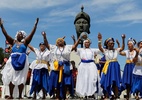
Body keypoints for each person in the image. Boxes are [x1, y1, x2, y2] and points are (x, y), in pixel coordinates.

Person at [0, 18, 39, 99]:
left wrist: (35, 25)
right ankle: (11, 95)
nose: (19, 34)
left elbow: (32, 34)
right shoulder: (13, 42)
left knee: (21, 78)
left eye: (21, 34)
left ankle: (20, 95)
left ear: (23, 36)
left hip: (22, 60)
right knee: (11, 77)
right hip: (12, 61)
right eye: (18, 33)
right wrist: (1, 25)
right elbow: (5, 34)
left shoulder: (25, 42)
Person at [98, 33, 125, 99]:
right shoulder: (106, 51)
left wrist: (123, 39)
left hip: (115, 66)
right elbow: (100, 48)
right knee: (107, 81)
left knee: (115, 82)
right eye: (110, 43)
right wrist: (99, 40)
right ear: (107, 44)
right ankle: (107, 95)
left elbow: (122, 48)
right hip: (108, 67)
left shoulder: (116, 50)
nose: (112, 44)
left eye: (113, 43)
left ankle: (116, 96)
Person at [27, 32, 50, 99]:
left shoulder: (48, 52)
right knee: (35, 81)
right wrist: (24, 41)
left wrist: (44, 36)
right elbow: (30, 47)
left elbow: (47, 43)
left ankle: (44, 95)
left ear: (45, 46)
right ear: (39, 46)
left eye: (43, 45)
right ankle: (34, 94)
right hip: (37, 68)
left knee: (44, 82)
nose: (42, 46)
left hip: (44, 68)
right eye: (41, 45)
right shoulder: (37, 51)